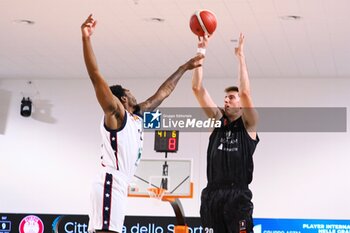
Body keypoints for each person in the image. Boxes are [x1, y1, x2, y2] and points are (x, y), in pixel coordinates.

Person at [81, 14, 203, 233]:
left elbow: (163, 92)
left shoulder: (136, 115)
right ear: (123, 99)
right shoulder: (117, 114)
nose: (134, 94)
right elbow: (96, 76)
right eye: (130, 92)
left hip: (119, 184)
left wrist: (185, 67)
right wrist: (86, 39)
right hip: (111, 181)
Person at [191, 33, 259, 233]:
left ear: (240, 103)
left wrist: (241, 57)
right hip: (212, 196)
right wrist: (201, 50)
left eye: (231, 97)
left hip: (237, 196)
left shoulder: (249, 124)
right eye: (225, 98)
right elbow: (197, 88)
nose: (226, 100)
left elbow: (245, 93)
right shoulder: (216, 121)